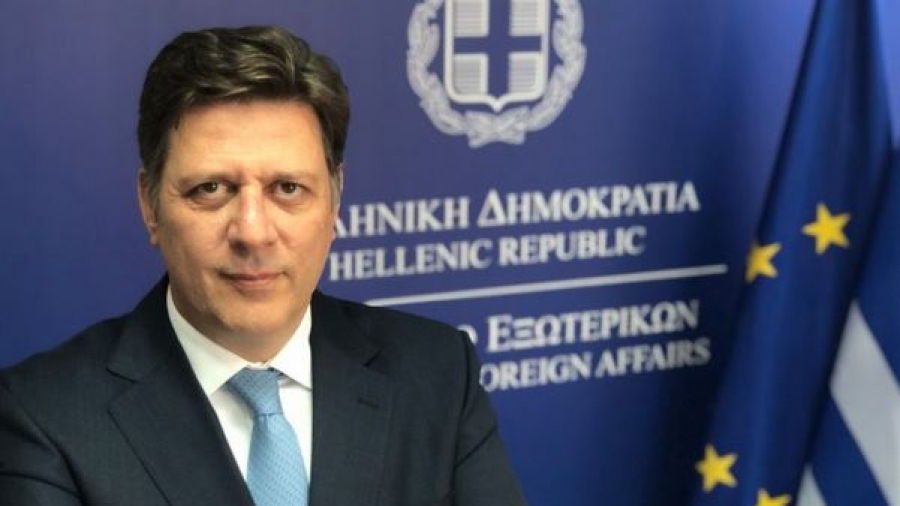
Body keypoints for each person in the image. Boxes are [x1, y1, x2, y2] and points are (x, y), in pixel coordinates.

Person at [0, 25, 528, 506]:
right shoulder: (44, 417)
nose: (253, 232)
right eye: (211, 189)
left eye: (288, 188)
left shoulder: (439, 372)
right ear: (149, 203)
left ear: (335, 200)